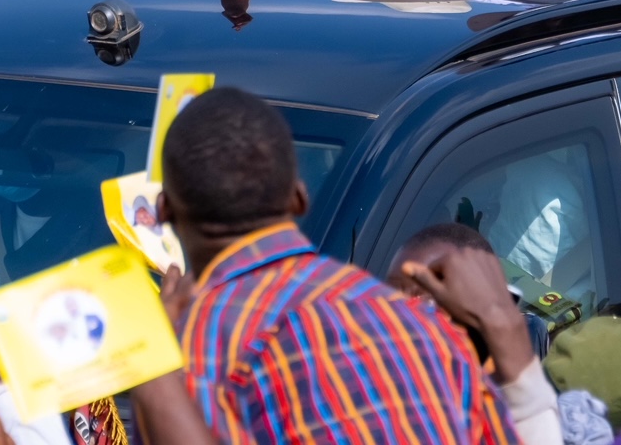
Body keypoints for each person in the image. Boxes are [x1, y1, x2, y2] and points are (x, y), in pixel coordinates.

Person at [161, 86, 521, 445]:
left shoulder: (199, 348)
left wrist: (153, 360)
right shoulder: (425, 328)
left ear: (162, 210)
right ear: (299, 198)